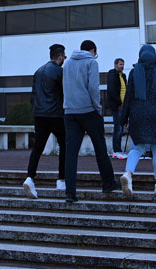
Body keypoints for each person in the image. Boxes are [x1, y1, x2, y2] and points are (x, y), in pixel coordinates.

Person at [62, 39, 118, 202]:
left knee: (71, 153)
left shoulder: (67, 64)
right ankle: (108, 183)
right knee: (100, 148)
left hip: (70, 112)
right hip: (89, 111)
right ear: (93, 50)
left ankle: (70, 192)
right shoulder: (91, 63)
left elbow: (65, 87)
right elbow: (94, 88)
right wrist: (98, 108)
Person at [118, 44, 156, 196]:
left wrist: (123, 118)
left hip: (137, 114)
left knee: (137, 148)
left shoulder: (133, 73)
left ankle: (128, 174)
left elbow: (128, 97)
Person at [22, 44, 68, 199]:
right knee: (64, 145)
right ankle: (61, 180)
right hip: (55, 115)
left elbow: (32, 96)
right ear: (60, 57)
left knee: (37, 148)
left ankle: (30, 178)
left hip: (39, 115)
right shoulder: (59, 72)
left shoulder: (38, 71)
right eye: (64, 57)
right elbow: (64, 93)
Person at [106, 57, 128, 159]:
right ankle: (116, 150)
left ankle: (118, 150)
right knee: (118, 128)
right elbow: (112, 92)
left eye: (123, 64)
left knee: (121, 128)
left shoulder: (123, 76)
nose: (122, 66)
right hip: (117, 106)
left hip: (123, 106)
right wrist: (119, 102)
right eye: (120, 64)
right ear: (115, 65)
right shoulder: (112, 75)